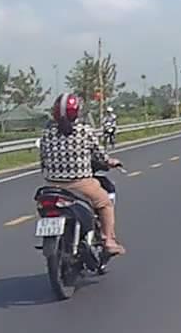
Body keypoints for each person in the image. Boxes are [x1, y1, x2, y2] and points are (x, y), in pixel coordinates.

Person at [39, 93, 125, 255]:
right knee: (105, 204)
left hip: (52, 186)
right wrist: (110, 162)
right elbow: (100, 156)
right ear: (76, 112)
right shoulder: (84, 131)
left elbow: (43, 160)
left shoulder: (46, 133)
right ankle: (108, 240)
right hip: (81, 184)